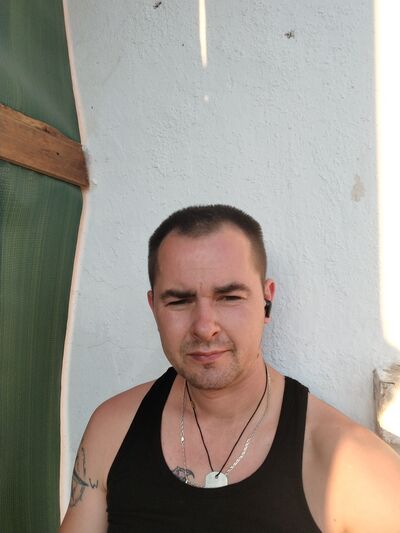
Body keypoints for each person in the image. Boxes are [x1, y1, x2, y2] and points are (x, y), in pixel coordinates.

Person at [60, 204, 400, 533]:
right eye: (179, 301)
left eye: (229, 297)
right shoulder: (113, 428)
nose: (204, 327)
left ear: (266, 301)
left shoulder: (349, 464)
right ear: (154, 307)